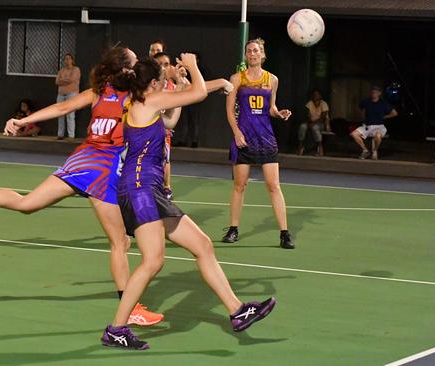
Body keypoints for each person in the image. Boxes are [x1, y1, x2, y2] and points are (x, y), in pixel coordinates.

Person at [0, 46, 163, 326]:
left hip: (81, 160)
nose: (138, 65)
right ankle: (130, 308)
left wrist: (24, 120)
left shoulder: (98, 92)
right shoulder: (135, 97)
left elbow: (63, 107)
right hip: (102, 170)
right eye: (134, 62)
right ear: (126, 71)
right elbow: (64, 107)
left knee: (27, 203)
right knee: (120, 242)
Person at [100, 55, 275, 350]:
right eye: (163, 77)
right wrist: (194, 66)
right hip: (140, 188)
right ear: (154, 83)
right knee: (153, 260)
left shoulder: (147, 102)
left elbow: (172, 119)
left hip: (148, 188)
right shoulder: (149, 101)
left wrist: (198, 83)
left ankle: (237, 311)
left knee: (203, 245)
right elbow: (195, 94)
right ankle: (116, 329)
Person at [221, 38, 294, 250]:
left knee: (273, 186)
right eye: (249, 51)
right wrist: (236, 133)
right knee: (239, 185)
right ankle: (233, 229)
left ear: (262, 55)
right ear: (246, 55)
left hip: (265, 138)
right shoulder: (236, 79)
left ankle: (284, 233)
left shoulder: (272, 80)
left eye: (256, 51)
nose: (252, 54)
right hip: (243, 138)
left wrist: (279, 113)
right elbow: (229, 110)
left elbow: (270, 108)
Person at [153, 51, 178, 200]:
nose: (163, 67)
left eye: (166, 64)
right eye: (159, 64)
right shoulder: (147, 85)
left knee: (165, 158)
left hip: (162, 131)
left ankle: (166, 187)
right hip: (143, 132)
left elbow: (171, 118)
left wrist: (181, 84)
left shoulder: (173, 87)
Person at [351, 86, 398, 160]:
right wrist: (363, 116)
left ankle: (375, 150)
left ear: (379, 94)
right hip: (367, 125)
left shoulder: (383, 103)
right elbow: (360, 108)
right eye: (372, 92)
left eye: (375, 92)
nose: (373, 94)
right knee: (354, 134)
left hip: (379, 126)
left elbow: (394, 113)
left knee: (378, 136)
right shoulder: (366, 101)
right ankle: (365, 150)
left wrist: (385, 117)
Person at [55, 53, 80, 140]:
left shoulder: (76, 69)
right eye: (65, 59)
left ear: (72, 60)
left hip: (72, 94)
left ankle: (71, 136)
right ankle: (60, 134)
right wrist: (65, 80)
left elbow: (72, 79)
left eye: (69, 58)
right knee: (60, 114)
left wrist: (63, 80)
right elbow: (57, 82)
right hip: (61, 95)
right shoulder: (61, 70)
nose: (67, 60)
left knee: (70, 115)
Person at [298, 90, 330, 156]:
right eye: (314, 94)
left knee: (315, 128)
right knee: (302, 127)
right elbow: (307, 115)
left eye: (317, 94)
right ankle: (301, 146)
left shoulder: (324, 104)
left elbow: (323, 117)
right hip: (310, 122)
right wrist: (310, 122)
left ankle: (320, 147)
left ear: (320, 96)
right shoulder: (309, 103)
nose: (316, 96)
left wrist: (314, 123)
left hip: (320, 123)